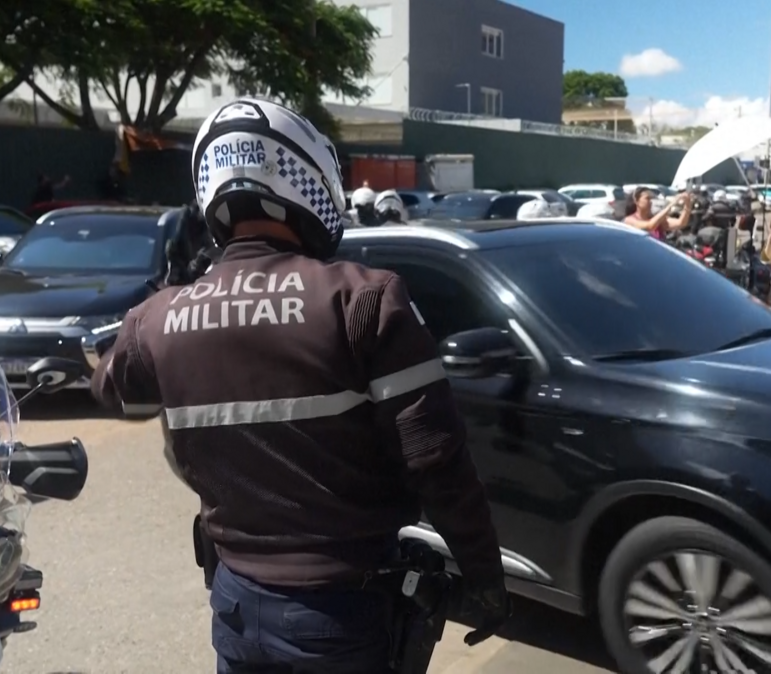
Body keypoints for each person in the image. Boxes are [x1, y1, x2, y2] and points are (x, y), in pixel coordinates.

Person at [89, 98, 509, 673]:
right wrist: (483, 576)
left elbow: (113, 391)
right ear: (306, 179)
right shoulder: (365, 299)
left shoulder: (157, 317)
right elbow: (437, 460)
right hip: (342, 612)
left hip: (236, 605)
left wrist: (162, 307)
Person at [624, 186, 693, 240]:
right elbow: (650, 226)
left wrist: (688, 203)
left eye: (651, 198)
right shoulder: (629, 220)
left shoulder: (657, 219)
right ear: (636, 201)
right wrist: (671, 204)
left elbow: (681, 223)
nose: (651, 201)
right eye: (647, 198)